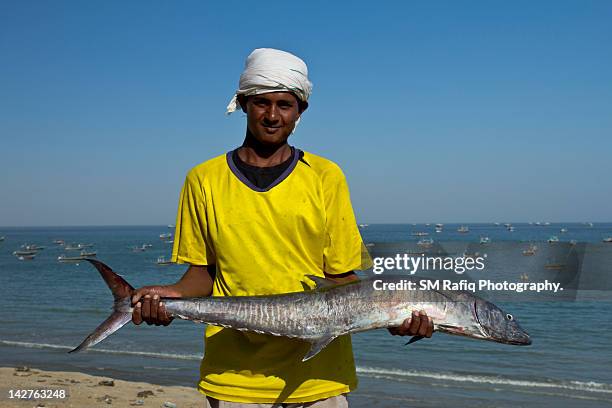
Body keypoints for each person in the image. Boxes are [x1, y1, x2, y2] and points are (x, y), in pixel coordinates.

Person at [131, 48, 433, 407]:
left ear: (300, 110)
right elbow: (203, 274)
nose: (272, 116)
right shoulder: (203, 179)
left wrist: (392, 314)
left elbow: (340, 277)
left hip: (320, 379)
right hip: (234, 379)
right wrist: (169, 297)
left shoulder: (326, 176)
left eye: (285, 105)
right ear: (243, 104)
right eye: (262, 103)